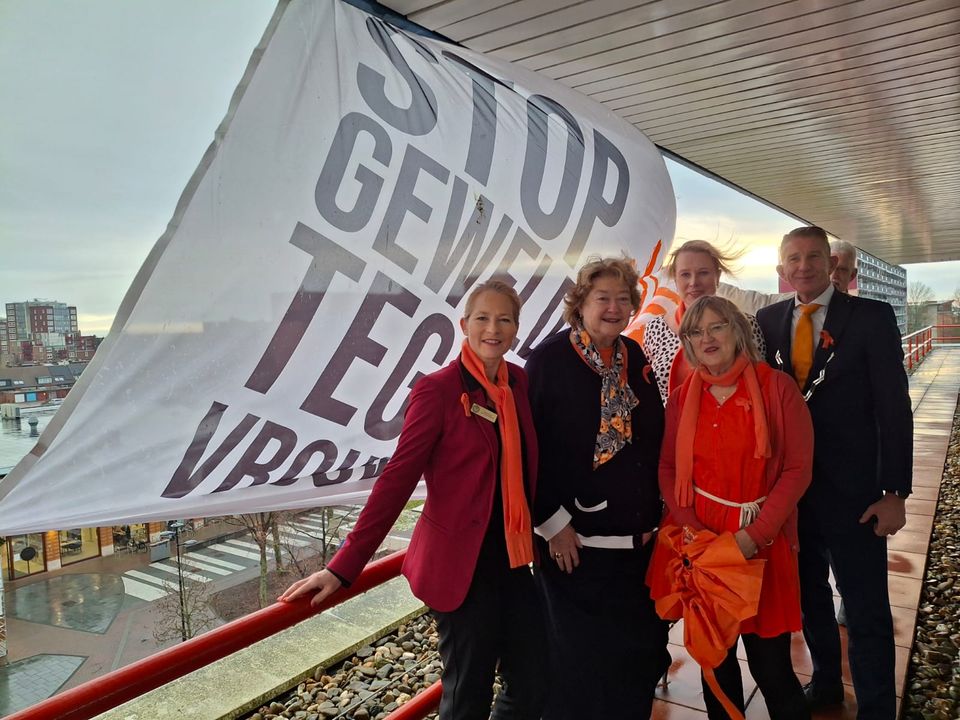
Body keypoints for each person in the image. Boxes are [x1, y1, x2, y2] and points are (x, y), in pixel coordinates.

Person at [280, 280, 545, 720]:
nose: (493, 328)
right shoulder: (438, 391)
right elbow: (397, 478)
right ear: (464, 325)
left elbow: (533, 462)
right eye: (482, 318)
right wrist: (344, 566)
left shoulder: (517, 381)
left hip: (514, 559)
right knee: (467, 696)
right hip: (461, 567)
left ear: (516, 328)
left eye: (504, 319)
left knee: (536, 681)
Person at [756, 226, 912, 719]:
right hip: (792, 496)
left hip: (856, 494)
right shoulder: (766, 320)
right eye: (793, 259)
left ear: (831, 263)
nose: (803, 266)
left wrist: (896, 492)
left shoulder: (871, 317)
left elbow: (894, 407)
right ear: (781, 270)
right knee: (810, 600)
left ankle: (877, 708)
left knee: (865, 608)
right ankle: (825, 683)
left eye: (813, 257)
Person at [652, 295, 813, 719]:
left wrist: (752, 536)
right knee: (716, 667)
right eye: (695, 331)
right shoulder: (683, 395)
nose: (706, 338)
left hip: (760, 545)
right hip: (701, 548)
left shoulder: (777, 387)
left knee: (771, 667)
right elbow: (668, 467)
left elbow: (797, 469)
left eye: (716, 327)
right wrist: (694, 533)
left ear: (737, 330)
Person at [525, 256, 670, 720]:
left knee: (638, 657)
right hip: (577, 546)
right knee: (580, 669)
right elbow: (530, 452)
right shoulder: (548, 361)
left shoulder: (635, 355)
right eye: (602, 297)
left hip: (638, 544)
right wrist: (552, 525)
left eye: (622, 298)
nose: (613, 307)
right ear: (580, 304)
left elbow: (653, 440)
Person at [643, 240, 766, 404]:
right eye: (685, 274)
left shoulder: (745, 324)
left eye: (703, 273)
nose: (694, 282)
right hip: (666, 427)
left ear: (718, 276)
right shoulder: (655, 328)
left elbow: (760, 381)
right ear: (675, 278)